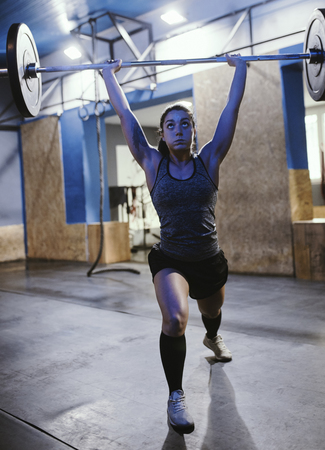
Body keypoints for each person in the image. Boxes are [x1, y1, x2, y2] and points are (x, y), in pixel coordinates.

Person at [102, 55, 247, 435]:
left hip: (209, 259)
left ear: (194, 133)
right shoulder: (152, 163)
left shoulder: (211, 159)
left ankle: (213, 336)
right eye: (171, 125)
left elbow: (232, 109)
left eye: (186, 124)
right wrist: (107, 75)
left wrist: (242, 67)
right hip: (171, 260)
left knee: (211, 313)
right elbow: (127, 115)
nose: (179, 130)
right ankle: (176, 395)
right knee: (175, 319)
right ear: (162, 135)